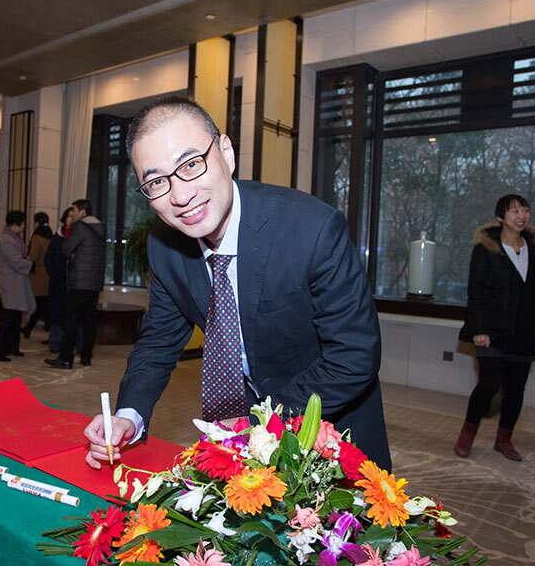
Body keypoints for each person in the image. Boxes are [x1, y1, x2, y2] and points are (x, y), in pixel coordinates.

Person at [82, 98, 390, 471]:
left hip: (330, 430)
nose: (181, 196)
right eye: (157, 182)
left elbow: (353, 356)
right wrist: (129, 415)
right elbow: (159, 340)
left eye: (191, 165)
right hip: (242, 446)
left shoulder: (311, 229)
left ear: (226, 153)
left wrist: (260, 424)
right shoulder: (164, 246)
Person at [454, 194, 535, 461]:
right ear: (500, 217)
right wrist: (479, 329)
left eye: (525, 210)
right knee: (489, 383)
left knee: (516, 388)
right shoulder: (486, 248)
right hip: (492, 330)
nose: (521, 216)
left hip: (524, 330)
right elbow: (476, 292)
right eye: (514, 211)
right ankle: (467, 434)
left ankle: (504, 439)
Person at [46, 199, 107, 369]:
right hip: (95, 283)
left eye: (74, 210)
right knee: (89, 320)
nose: (72, 214)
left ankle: (65, 358)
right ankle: (86, 357)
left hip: (80, 281)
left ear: (82, 211)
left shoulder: (80, 227)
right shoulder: (100, 228)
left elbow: (66, 248)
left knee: (71, 319)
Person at [0, 210, 34, 361]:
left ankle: (12, 347)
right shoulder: (7, 240)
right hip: (11, 283)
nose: (24, 226)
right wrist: (31, 264)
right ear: (15, 224)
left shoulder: (13, 238)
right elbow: (16, 261)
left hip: (16, 282)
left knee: (16, 318)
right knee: (8, 319)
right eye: (23, 223)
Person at [44, 207, 73, 353]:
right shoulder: (57, 237)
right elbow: (47, 258)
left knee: (71, 316)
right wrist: (54, 273)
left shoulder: (78, 236)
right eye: (69, 216)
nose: (71, 219)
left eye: (73, 216)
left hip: (73, 284)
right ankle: (54, 344)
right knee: (56, 314)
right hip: (58, 282)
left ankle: (71, 344)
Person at [22, 211, 52, 337]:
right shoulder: (50, 236)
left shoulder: (36, 237)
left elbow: (33, 256)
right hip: (49, 274)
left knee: (39, 304)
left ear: (37, 223)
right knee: (44, 303)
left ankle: (29, 328)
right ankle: (34, 328)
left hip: (39, 274)